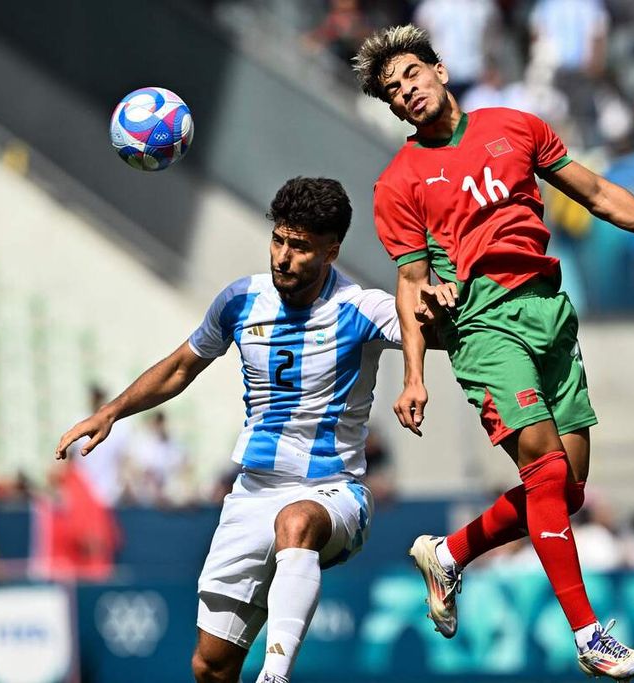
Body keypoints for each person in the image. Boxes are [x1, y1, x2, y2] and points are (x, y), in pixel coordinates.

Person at [352, 24, 634, 679]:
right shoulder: (398, 183)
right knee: (548, 473)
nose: (405, 92)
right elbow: (412, 283)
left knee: (566, 489)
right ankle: (589, 634)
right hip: (481, 322)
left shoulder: (516, 127)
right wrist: (413, 374)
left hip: (550, 312)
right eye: (391, 92)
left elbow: (600, 194)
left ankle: (449, 552)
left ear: (440, 70)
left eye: (411, 75)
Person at [56, 177, 407, 683]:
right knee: (211, 667)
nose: (283, 257)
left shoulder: (361, 307)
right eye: (279, 240)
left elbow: (429, 326)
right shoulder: (241, 300)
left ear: (331, 251)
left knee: (297, 521)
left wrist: (433, 303)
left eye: (300, 247)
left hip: (334, 492)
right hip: (251, 493)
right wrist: (111, 411)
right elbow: (181, 367)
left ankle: (276, 675)